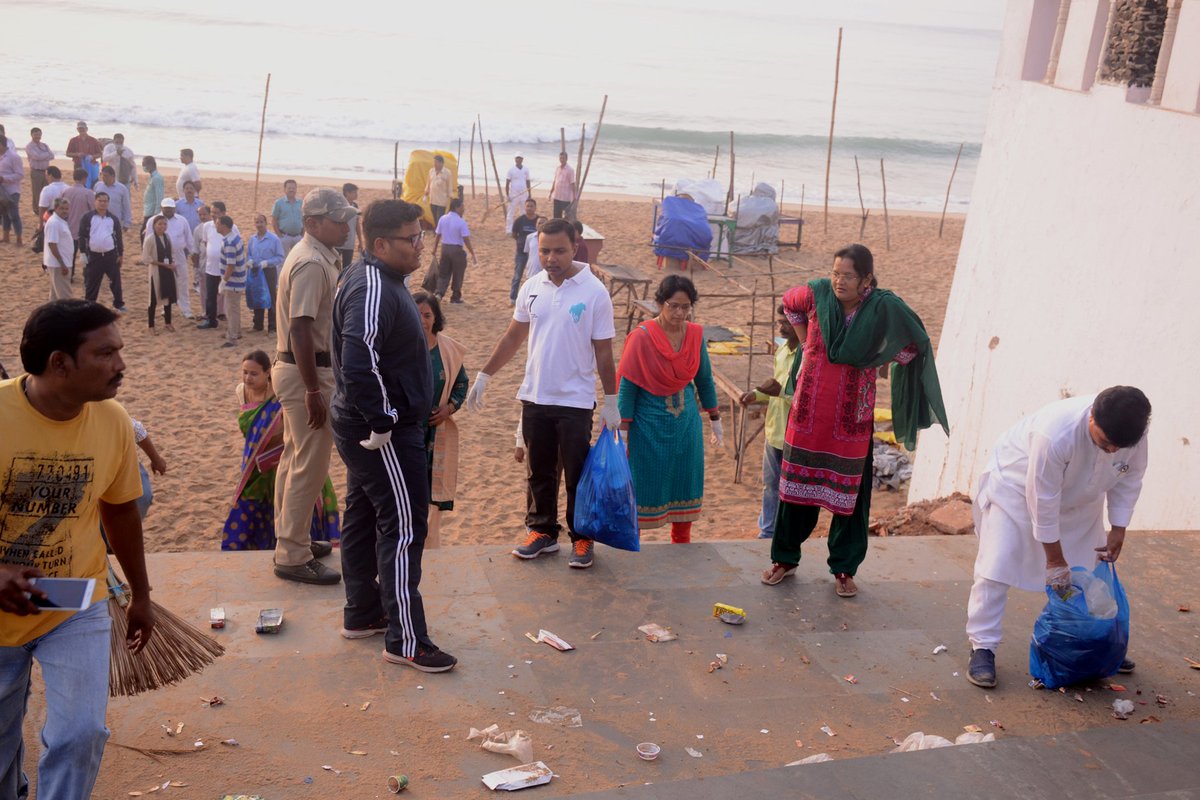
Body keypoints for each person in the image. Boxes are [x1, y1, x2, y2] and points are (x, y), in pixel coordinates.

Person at [0, 299, 155, 800]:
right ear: (59, 363)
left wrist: (141, 595)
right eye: (105, 354)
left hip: (72, 601)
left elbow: (121, 512)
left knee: (81, 734)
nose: (120, 366)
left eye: (120, 352)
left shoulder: (111, 420)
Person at [761, 244, 948, 597]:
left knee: (850, 500)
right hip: (808, 416)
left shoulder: (880, 309)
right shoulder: (817, 296)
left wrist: (879, 358)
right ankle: (784, 559)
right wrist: (805, 344)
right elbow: (789, 301)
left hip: (852, 422)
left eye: (847, 275)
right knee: (794, 496)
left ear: (866, 279)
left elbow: (913, 345)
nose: (838, 281)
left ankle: (844, 569)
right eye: (836, 273)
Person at [331, 199, 456, 672]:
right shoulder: (371, 287)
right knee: (404, 527)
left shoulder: (380, 279)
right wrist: (383, 420)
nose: (420, 246)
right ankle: (406, 641)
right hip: (381, 431)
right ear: (380, 244)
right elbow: (359, 358)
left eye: (421, 236)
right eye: (412, 239)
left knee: (364, 514)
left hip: (375, 425)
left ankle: (363, 611)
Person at [965, 387, 1150, 689]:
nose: (1113, 451)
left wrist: (1119, 527)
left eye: (1119, 446)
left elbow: (1131, 477)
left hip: (1081, 501)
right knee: (996, 568)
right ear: (1091, 417)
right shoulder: (1056, 432)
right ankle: (983, 647)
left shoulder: (1134, 435)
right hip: (1018, 491)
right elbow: (1043, 498)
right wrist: (1054, 559)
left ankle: (1089, 645)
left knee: (1084, 575)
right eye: (1106, 443)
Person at [467, 217, 618, 569]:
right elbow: (513, 336)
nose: (551, 258)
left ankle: (581, 538)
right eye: (545, 250)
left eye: (559, 250)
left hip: (575, 400)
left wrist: (611, 401)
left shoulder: (595, 292)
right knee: (539, 471)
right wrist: (485, 374)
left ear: (576, 244)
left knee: (577, 474)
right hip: (535, 395)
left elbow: (605, 352)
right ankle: (543, 532)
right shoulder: (532, 285)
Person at [272, 188, 357, 585]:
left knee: (295, 457)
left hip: (298, 369)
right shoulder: (310, 263)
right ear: (312, 224)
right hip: (307, 370)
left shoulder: (316, 255)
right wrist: (311, 389)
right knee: (309, 463)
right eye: (338, 220)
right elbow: (301, 328)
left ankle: (292, 536)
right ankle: (292, 552)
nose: (345, 226)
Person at [617, 276, 720, 543]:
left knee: (685, 481)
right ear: (660, 303)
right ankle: (632, 544)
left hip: (686, 426)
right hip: (647, 427)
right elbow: (628, 385)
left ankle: (681, 545)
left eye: (685, 307)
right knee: (641, 485)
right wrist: (624, 430)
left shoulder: (695, 335)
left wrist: (714, 417)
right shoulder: (641, 337)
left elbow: (704, 379)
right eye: (673, 306)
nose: (679, 313)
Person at [222, 350, 339, 552]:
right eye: (245, 372)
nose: (247, 378)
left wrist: (272, 439)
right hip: (255, 466)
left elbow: (289, 427)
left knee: (293, 503)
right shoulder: (241, 391)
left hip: (281, 460)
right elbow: (253, 433)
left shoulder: (279, 392)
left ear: (268, 373)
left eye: (254, 373)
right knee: (247, 508)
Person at [739, 305, 802, 539]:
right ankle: (767, 532)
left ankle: (787, 535)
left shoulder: (807, 355)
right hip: (775, 429)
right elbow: (774, 387)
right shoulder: (782, 350)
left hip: (795, 434)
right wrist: (755, 394)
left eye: (786, 322)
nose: (782, 327)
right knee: (771, 486)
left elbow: (806, 396)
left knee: (792, 491)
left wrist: (780, 391)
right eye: (779, 322)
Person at [412, 291, 467, 548]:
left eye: (427, 315)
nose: (422, 320)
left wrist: (448, 410)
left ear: (436, 318)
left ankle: (430, 547)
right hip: (406, 432)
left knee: (430, 496)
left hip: (435, 433)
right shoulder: (398, 346)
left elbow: (461, 384)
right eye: (417, 314)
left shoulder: (449, 350)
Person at [78, 191, 126, 313]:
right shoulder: (88, 217)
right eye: (100, 200)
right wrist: (82, 253)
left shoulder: (113, 219)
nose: (103, 203)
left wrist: (120, 254)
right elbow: (82, 235)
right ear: (95, 202)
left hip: (110, 255)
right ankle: (89, 304)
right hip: (94, 256)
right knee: (92, 282)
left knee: (115, 281)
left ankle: (118, 304)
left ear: (108, 203)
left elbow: (118, 238)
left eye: (105, 201)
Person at [149, 199, 195, 319]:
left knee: (183, 282)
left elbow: (189, 238)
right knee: (165, 283)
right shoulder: (153, 221)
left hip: (179, 255)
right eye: (166, 207)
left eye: (170, 207)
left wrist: (193, 253)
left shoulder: (182, 220)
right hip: (161, 256)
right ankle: (166, 308)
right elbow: (148, 239)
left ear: (174, 208)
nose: (168, 210)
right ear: (161, 207)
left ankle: (185, 309)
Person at [429, 198, 477, 304]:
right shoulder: (461, 222)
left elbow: (438, 235)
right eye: (462, 207)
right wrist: (472, 252)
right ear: (456, 207)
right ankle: (455, 297)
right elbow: (466, 239)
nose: (463, 210)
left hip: (445, 248)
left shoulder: (443, 218)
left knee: (443, 273)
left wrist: (434, 248)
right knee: (458, 273)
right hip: (456, 250)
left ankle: (439, 293)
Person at [247, 213, 285, 333]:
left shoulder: (274, 239)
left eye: (261, 222)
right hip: (256, 271)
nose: (259, 225)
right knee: (257, 296)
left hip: (268, 271)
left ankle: (272, 327)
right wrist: (249, 260)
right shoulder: (252, 239)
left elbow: (280, 257)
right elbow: (249, 254)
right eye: (257, 222)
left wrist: (267, 262)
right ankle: (257, 325)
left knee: (271, 298)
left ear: (266, 223)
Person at [142, 215, 177, 333]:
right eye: (160, 224)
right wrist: (163, 264)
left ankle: (168, 322)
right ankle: (151, 325)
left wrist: (172, 264)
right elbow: (146, 259)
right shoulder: (150, 239)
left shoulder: (167, 237)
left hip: (167, 271)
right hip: (156, 272)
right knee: (153, 299)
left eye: (164, 224)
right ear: (154, 225)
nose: (162, 226)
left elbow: (171, 253)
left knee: (168, 296)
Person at [217, 215, 246, 347]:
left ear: (224, 225)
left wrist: (224, 281)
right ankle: (235, 331)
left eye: (217, 223)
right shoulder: (234, 238)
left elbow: (231, 265)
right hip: (238, 279)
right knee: (234, 307)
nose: (216, 225)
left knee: (231, 309)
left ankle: (232, 337)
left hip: (233, 281)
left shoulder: (229, 242)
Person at [131, 419, 167, 520]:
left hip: (126, 467)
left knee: (143, 496)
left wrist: (156, 459)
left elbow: (137, 429)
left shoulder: (110, 412)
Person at [61, 169, 95, 277]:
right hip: (84, 230)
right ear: (84, 178)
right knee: (86, 253)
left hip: (68, 228)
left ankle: (70, 275)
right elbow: (93, 210)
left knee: (70, 254)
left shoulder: (65, 192)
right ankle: (86, 275)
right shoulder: (88, 193)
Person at [509, 199, 541, 304]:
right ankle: (513, 298)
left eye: (531, 206)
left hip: (535, 254)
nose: (529, 208)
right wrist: (520, 243)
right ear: (525, 207)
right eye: (527, 206)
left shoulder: (539, 221)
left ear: (535, 208)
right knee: (518, 275)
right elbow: (514, 234)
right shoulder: (519, 221)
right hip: (521, 253)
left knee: (536, 276)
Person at [42, 198, 74, 300]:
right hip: (58, 264)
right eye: (61, 208)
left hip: (60, 263)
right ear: (55, 208)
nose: (65, 211)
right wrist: (62, 264)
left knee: (55, 297)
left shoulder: (60, 221)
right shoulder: (54, 223)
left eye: (66, 208)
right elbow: (52, 244)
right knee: (65, 298)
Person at [25, 127, 54, 216]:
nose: (38, 136)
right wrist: (46, 155)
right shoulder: (29, 146)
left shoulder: (44, 145)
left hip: (46, 172)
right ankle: (37, 210)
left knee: (46, 191)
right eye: (36, 134)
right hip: (36, 171)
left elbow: (52, 156)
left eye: (39, 134)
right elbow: (36, 157)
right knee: (37, 192)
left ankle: (45, 209)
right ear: (31, 135)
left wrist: (43, 155)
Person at [0, 138, 24, 247]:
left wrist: (4, 178)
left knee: (14, 215)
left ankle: (19, 238)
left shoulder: (14, 157)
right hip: (1, 190)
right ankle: (6, 237)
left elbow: (20, 175)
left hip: (12, 190)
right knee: (4, 213)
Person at [272, 179, 304, 254]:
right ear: (285, 189)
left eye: (293, 188)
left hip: (298, 237)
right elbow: (274, 220)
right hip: (284, 237)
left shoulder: (301, 203)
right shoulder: (279, 203)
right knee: (283, 261)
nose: (291, 190)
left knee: (298, 260)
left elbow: (304, 219)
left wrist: (302, 235)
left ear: (296, 189)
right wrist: (280, 236)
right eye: (289, 188)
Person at [96, 165, 133, 231]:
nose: (103, 177)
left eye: (106, 176)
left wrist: (127, 223)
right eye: (102, 175)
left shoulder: (122, 188)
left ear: (113, 176)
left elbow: (126, 206)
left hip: (115, 221)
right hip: (99, 220)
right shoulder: (98, 186)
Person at [504, 153, 530, 233]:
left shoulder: (526, 169)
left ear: (522, 159)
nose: (518, 159)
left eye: (520, 158)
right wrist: (508, 195)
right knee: (510, 212)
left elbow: (528, 182)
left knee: (523, 212)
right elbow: (507, 183)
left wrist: (529, 194)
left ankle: (522, 228)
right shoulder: (511, 170)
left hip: (524, 194)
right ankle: (509, 230)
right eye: (517, 158)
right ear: (515, 159)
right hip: (513, 195)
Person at [337, 182, 361, 268]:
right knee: (334, 265)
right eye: (354, 192)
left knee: (347, 267)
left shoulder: (355, 206)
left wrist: (360, 241)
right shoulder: (339, 205)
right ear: (347, 193)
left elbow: (357, 224)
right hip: (338, 241)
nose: (356, 194)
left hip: (350, 242)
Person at [423, 155, 452, 223]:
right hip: (432, 199)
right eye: (434, 162)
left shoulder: (447, 173)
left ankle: (439, 232)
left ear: (441, 163)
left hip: (441, 201)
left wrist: (450, 198)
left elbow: (449, 186)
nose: (434, 164)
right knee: (435, 218)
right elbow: (428, 184)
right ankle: (437, 231)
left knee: (440, 218)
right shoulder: (431, 171)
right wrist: (425, 195)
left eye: (436, 162)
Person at [141, 156, 163, 238]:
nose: (144, 167)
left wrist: (156, 214)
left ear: (151, 165)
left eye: (144, 165)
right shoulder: (152, 177)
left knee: (144, 234)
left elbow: (159, 197)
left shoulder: (157, 178)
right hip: (148, 210)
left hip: (152, 212)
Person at [549, 151, 576, 219]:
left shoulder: (570, 170)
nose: (561, 159)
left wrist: (574, 196)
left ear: (566, 159)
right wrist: (551, 192)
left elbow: (572, 183)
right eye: (560, 158)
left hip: (565, 198)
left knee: (566, 217)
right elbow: (555, 180)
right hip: (557, 196)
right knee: (556, 216)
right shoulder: (558, 168)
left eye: (563, 158)